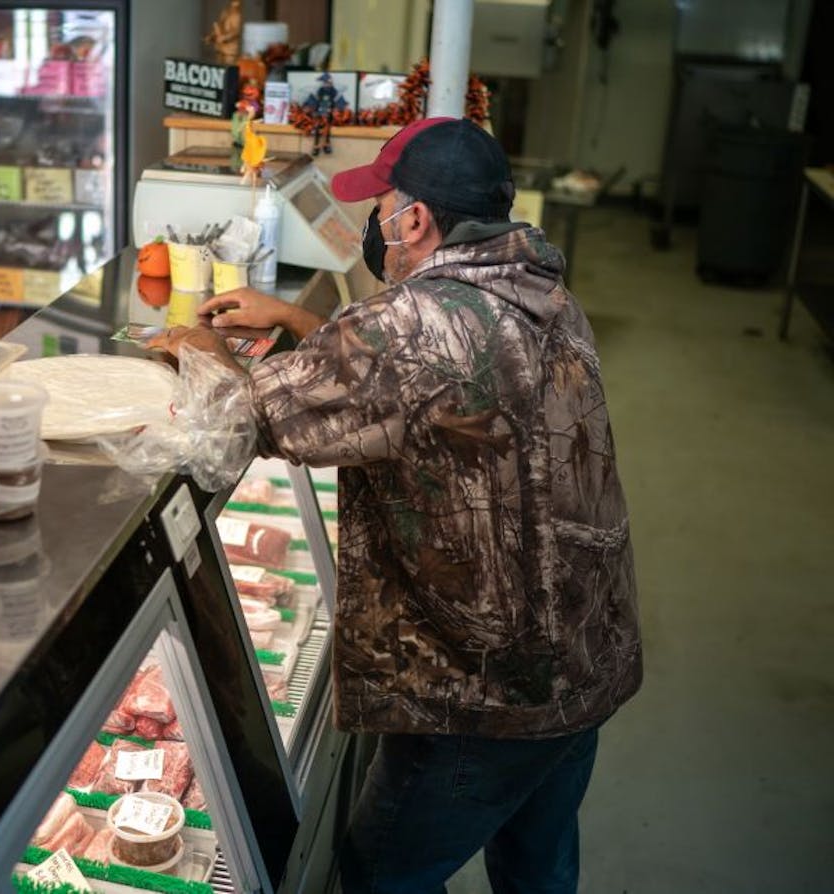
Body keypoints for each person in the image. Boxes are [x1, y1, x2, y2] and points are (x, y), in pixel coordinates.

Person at [150, 117, 642, 893]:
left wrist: (199, 351)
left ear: (415, 220)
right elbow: (430, 384)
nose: (374, 224)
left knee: (380, 873)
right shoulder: (543, 290)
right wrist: (296, 322)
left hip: (481, 699)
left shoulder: (410, 327)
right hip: (581, 662)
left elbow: (239, 423)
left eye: (380, 205)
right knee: (537, 863)